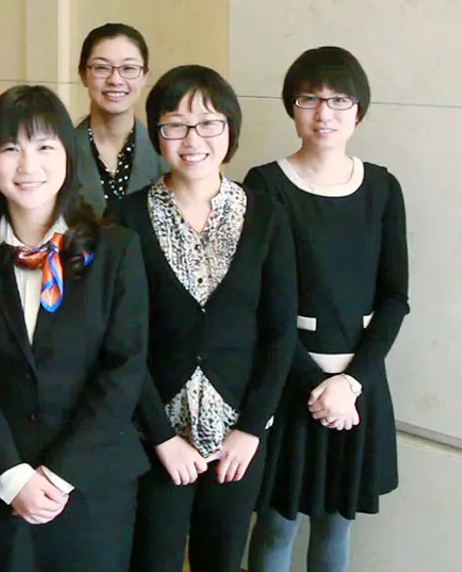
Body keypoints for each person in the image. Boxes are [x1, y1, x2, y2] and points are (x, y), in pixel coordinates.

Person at [0, 84, 150, 571]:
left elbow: (124, 370)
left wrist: (59, 475)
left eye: (44, 147)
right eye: (10, 149)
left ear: (68, 156)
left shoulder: (115, 251)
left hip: (93, 485)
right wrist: (13, 477)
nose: (28, 166)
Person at [115, 65, 297, 572]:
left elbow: (280, 333)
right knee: (152, 560)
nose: (193, 139)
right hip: (154, 436)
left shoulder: (267, 215)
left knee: (222, 558)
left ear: (230, 130)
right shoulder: (126, 219)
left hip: (239, 436)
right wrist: (161, 437)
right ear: (158, 133)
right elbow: (122, 341)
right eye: (175, 125)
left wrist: (251, 428)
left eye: (209, 123)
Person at [245, 47, 409, 572]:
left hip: (358, 388)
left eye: (339, 100)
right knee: (276, 524)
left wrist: (350, 384)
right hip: (287, 380)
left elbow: (394, 298)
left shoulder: (382, 188)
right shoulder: (264, 185)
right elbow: (257, 302)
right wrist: (316, 385)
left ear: (358, 109)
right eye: (309, 99)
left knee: (338, 523)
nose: (324, 113)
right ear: (291, 107)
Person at [74, 23, 168, 218]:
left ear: (144, 76)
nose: (115, 80)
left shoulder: (166, 155)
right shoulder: (61, 154)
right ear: (83, 75)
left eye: (128, 68)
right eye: (102, 68)